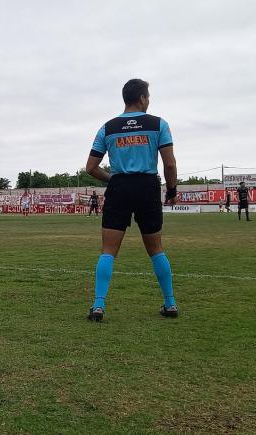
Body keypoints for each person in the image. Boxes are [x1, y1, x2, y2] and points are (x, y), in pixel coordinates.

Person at [84, 79, 179, 322]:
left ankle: (98, 306)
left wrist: (113, 179)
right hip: (147, 187)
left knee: (108, 250)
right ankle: (170, 304)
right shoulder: (159, 124)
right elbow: (169, 163)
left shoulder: (108, 127)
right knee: (156, 249)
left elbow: (91, 168)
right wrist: (171, 190)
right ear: (142, 98)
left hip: (120, 188)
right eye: (148, 96)